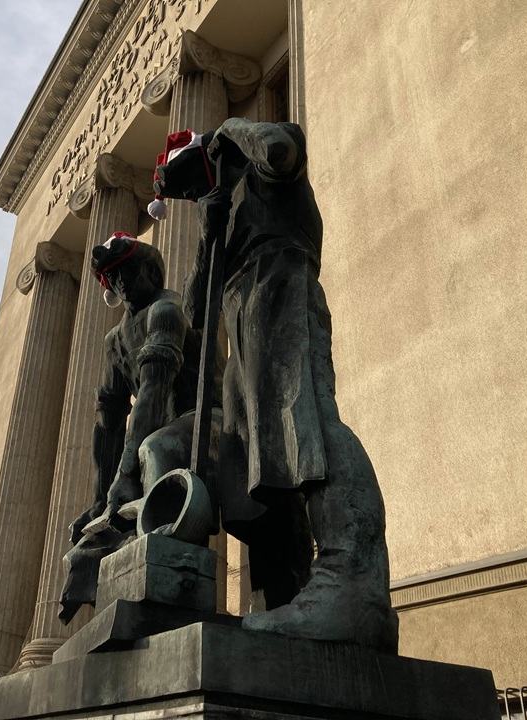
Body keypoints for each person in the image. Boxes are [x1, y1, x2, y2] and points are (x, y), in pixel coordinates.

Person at [148, 118, 398, 652]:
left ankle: (354, 583)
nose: (193, 194)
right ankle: (286, 597)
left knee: (307, 424)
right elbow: (196, 312)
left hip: (282, 290)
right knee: (253, 476)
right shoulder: (222, 212)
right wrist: (209, 229)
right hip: (241, 326)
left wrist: (231, 127)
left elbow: (279, 148)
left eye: (193, 179)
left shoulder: (267, 170)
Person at [59, 232, 221, 622]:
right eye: (113, 277)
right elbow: (109, 422)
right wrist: (102, 498)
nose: (122, 282)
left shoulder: (167, 309)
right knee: (107, 512)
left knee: (155, 449)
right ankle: (122, 593)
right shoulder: (115, 341)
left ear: (150, 269)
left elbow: (153, 389)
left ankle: (175, 586)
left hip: (211, 418)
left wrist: (126, 472)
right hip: (163, 429)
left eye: (128, 271)